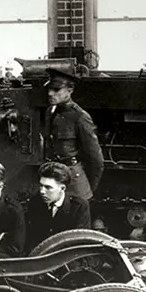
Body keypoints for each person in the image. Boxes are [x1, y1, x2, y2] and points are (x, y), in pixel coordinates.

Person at [43, 68, 105, 200]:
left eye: (56, 90)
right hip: (52, 178)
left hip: (73, 180)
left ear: (70, 91)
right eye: (49, 89)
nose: (50, 93)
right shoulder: (50, 112)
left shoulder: (80, 117)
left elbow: (96, 159)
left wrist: (87, 187)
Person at [25, 161, 91, 253]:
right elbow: (30, 238)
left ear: (63, 188)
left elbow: (81, 243)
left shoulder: (78, 207)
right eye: (41, 186)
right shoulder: (35, 202)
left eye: (48, 187)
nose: (42, 191)